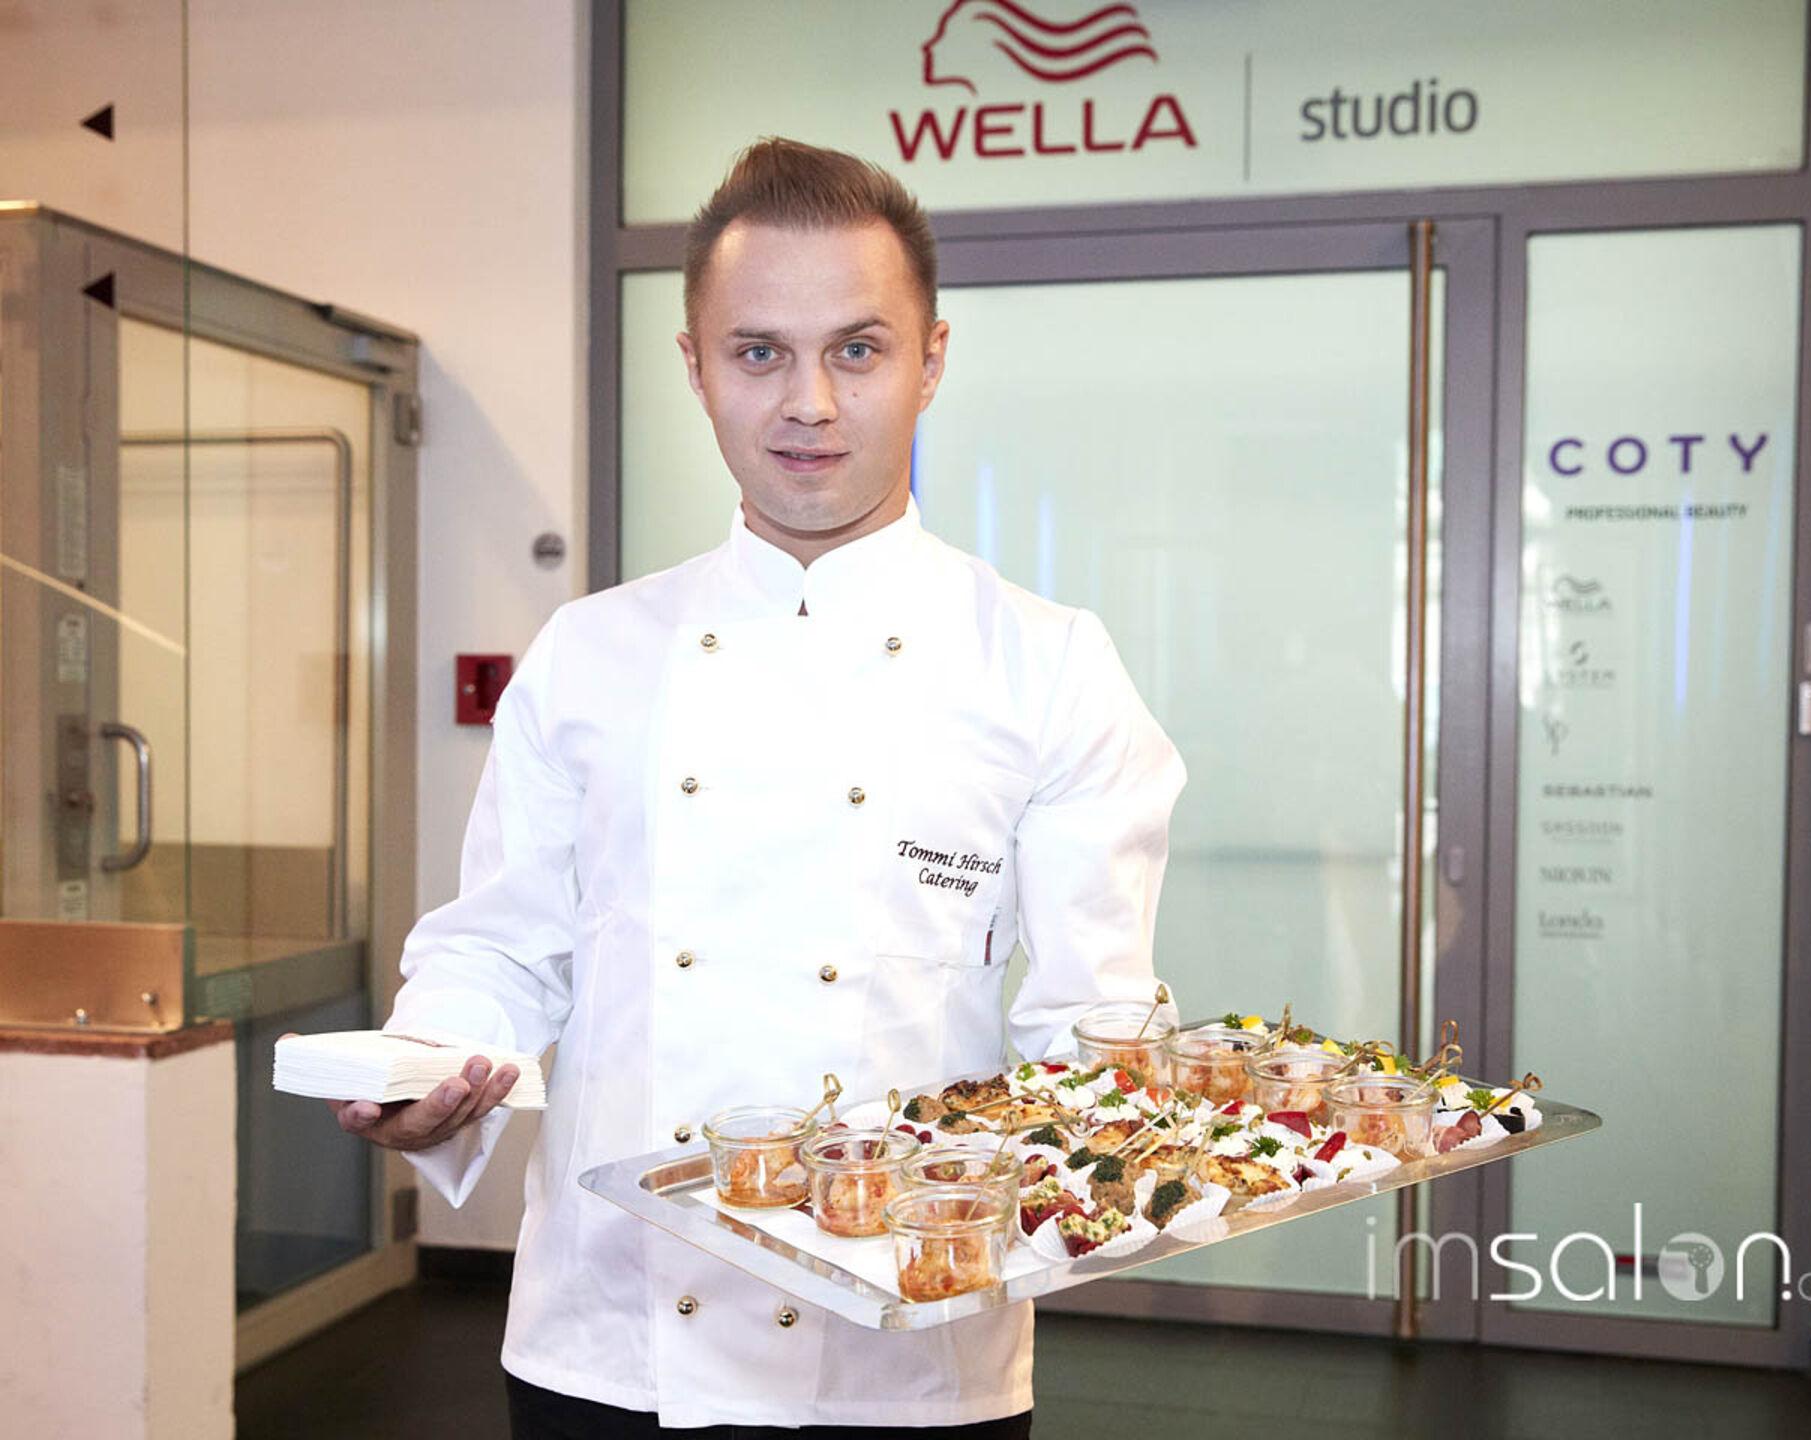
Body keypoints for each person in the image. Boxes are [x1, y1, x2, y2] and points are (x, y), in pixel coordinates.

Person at [330, 137, 1185, 1436]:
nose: (809, 403)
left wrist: (1149, 1153)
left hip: (913, 1357)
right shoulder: (589, 653)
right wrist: (429, 1070)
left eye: (858, 349)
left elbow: (1092, 1022)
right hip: (610, 1342)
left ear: (931, 360)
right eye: (759, 352)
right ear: (696, 367)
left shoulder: (1046, 665)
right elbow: (500, 951)